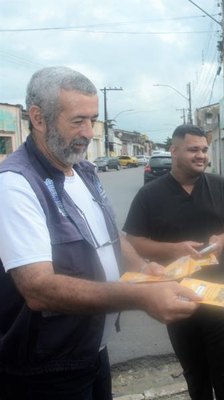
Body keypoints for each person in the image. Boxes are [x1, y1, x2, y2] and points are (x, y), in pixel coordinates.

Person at [0, 66, 200, 400]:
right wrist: (141, 296)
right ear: (38, 117)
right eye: (77, 120)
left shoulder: (84, 170)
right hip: (44, 369)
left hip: (92, 349)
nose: (89, 132)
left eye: (92, 120)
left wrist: (141, 268)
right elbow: (38, 289)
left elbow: (111, 237)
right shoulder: (15, 184)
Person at [123, 123, 224, 400]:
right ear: (174, 150)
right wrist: (173, 249)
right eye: (193, 149)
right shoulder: (150, 194)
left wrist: (222, 239)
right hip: (177, 296)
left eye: (204, 149)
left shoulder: (221, 186)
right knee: (195, 372)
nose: (201, 155)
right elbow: (133, 241)